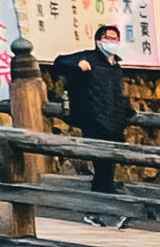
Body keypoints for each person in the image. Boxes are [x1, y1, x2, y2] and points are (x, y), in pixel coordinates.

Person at [55, 23, 131, 216]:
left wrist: (127, 112)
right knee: (102, 167)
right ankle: (99, 210)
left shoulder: (116, 68)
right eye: (107, 38)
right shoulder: (88, 58)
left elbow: (116, 95)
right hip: (94, 123)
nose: (111, 42)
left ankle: (101, 210)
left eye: (115, 39)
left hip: (114, 125)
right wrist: (77, 65)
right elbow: (59, 62)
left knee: (109, 169)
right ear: (98, 41)